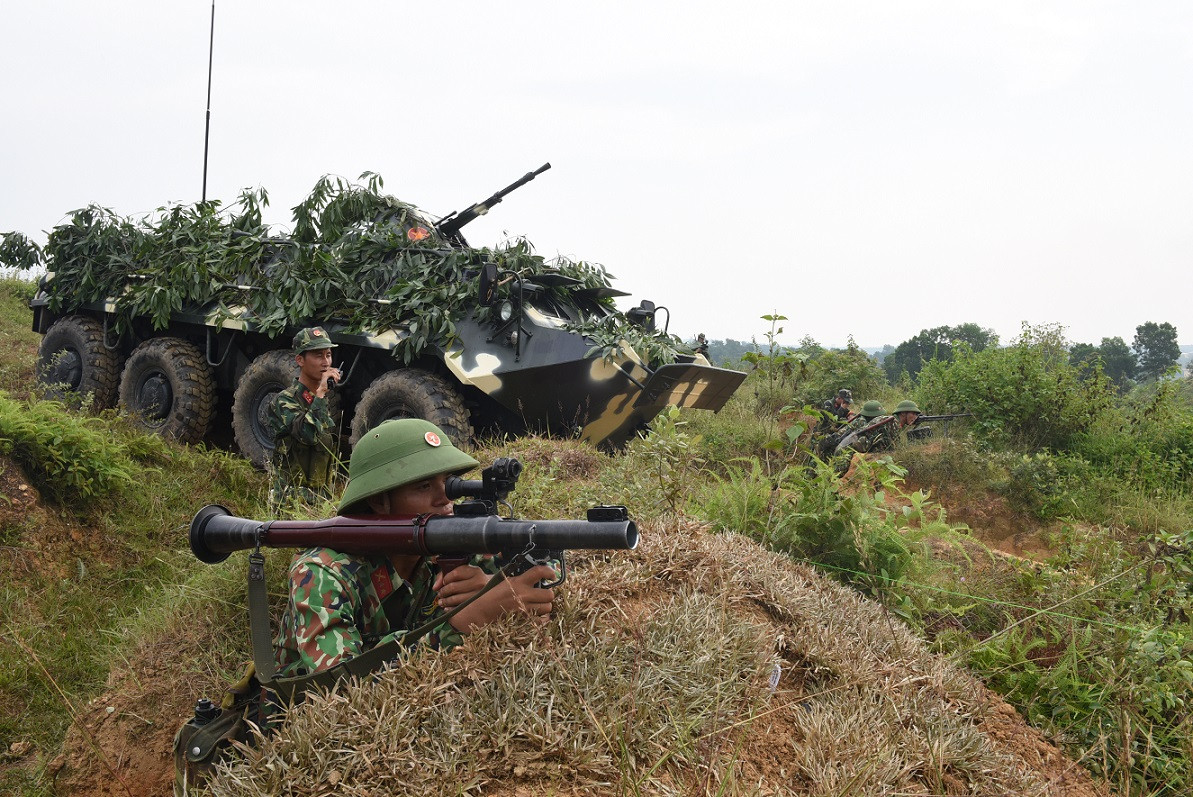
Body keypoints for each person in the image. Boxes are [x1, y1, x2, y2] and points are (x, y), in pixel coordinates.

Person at [273, 417, 557, 678]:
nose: (444, 500)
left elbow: (541, 576)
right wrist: (463, 621)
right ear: (378, 501)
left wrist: (489, 586)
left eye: (448, 483)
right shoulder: (323, 572)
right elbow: (340, 684)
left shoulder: (446, 544)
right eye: (423, 486)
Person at [267, 326, 344, 505]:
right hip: (290, 502)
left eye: (328, 355)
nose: (326, 362)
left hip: (319, 501)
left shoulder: (319, 400)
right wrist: (322, 392)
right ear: (300, 360)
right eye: (318, 356)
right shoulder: (284, 400)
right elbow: (307, 434)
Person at [858, 399, 922, 453]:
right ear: (903, 413)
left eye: (916, 415)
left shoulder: (894, 422)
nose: (915, 417)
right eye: (913, 414)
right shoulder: (891, 423)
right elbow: (893, 449)